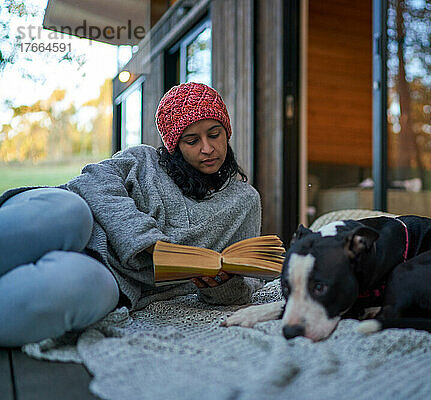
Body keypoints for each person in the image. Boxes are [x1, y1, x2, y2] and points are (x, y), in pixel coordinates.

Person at [0, 82, 262, 347]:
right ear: (175, 145)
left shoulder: (245, 202)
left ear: (226, 133)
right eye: (192, 140)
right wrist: (146, 240)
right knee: (71, 212)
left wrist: (220, 285)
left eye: (214, 135)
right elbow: (92, 180)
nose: (207, 148)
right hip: (72, 220)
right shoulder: (143, 159)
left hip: (113, 276)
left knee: (85, 286)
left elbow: (246, 285)